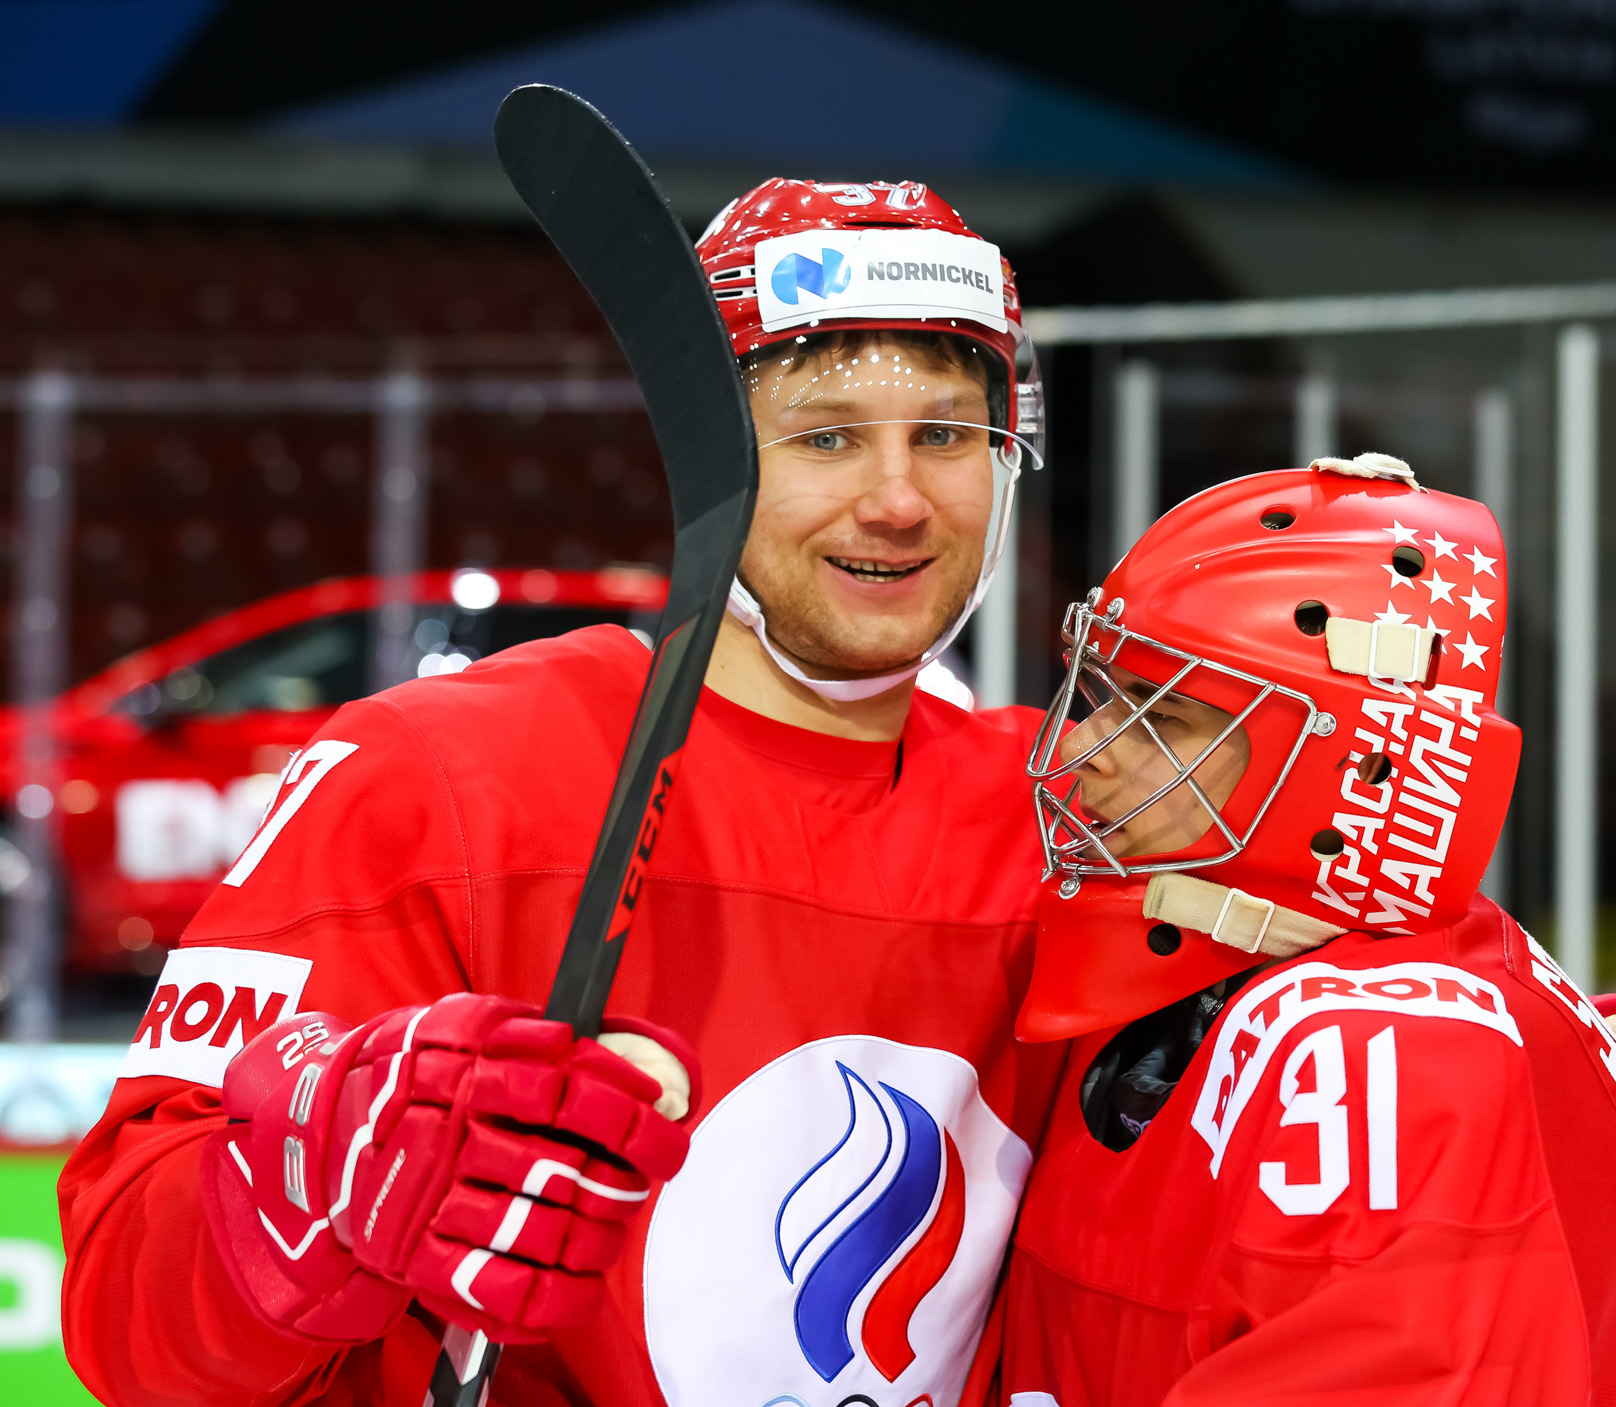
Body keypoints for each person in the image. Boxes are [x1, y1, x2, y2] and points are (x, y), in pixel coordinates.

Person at [58, 178, 1072, 1407]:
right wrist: (306, 1183)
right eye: (825, 436)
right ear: (700, 450)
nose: (900, 500)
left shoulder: (1073, 818)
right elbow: (126, 1320)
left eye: (947, 436)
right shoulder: (439, 772)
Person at [994, 456, 1616, 1406]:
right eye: (1107, 694)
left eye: (1166, 720)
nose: (1083, 747)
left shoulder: (1387, 1068)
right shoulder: (1246, 973)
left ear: (1353, 768)